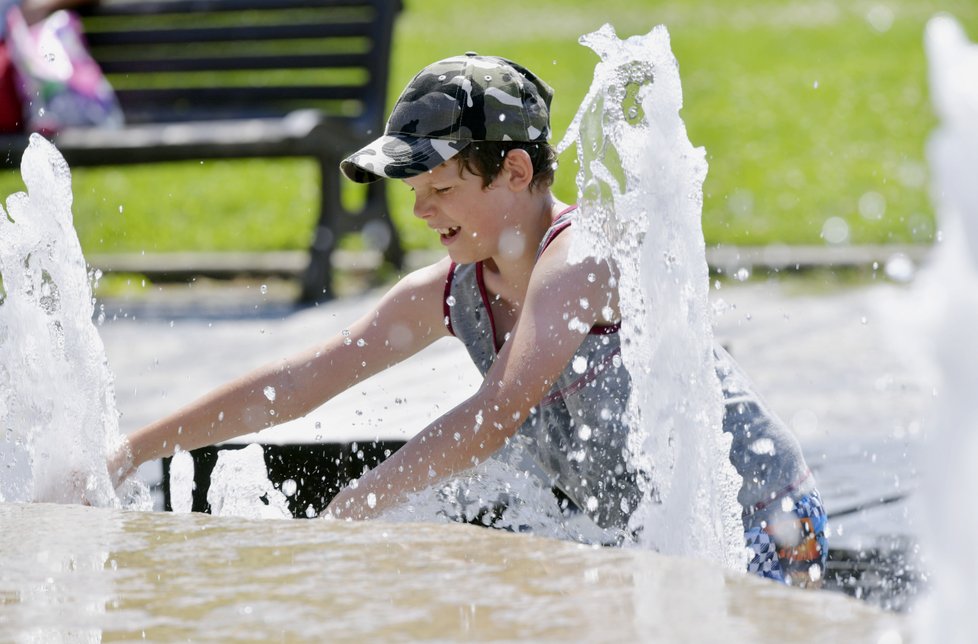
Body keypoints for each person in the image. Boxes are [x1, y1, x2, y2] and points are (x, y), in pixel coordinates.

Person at [109, 53, 828, 586]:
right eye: (415, 190)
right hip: (654, 542)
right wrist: (133, 449)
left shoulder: (581, 260)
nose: (422, 212)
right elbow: (302, 380)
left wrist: (358, 503)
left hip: (765, 522)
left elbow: (499, 409)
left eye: (442, 187)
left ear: (515, 172)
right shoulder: (456, 290)